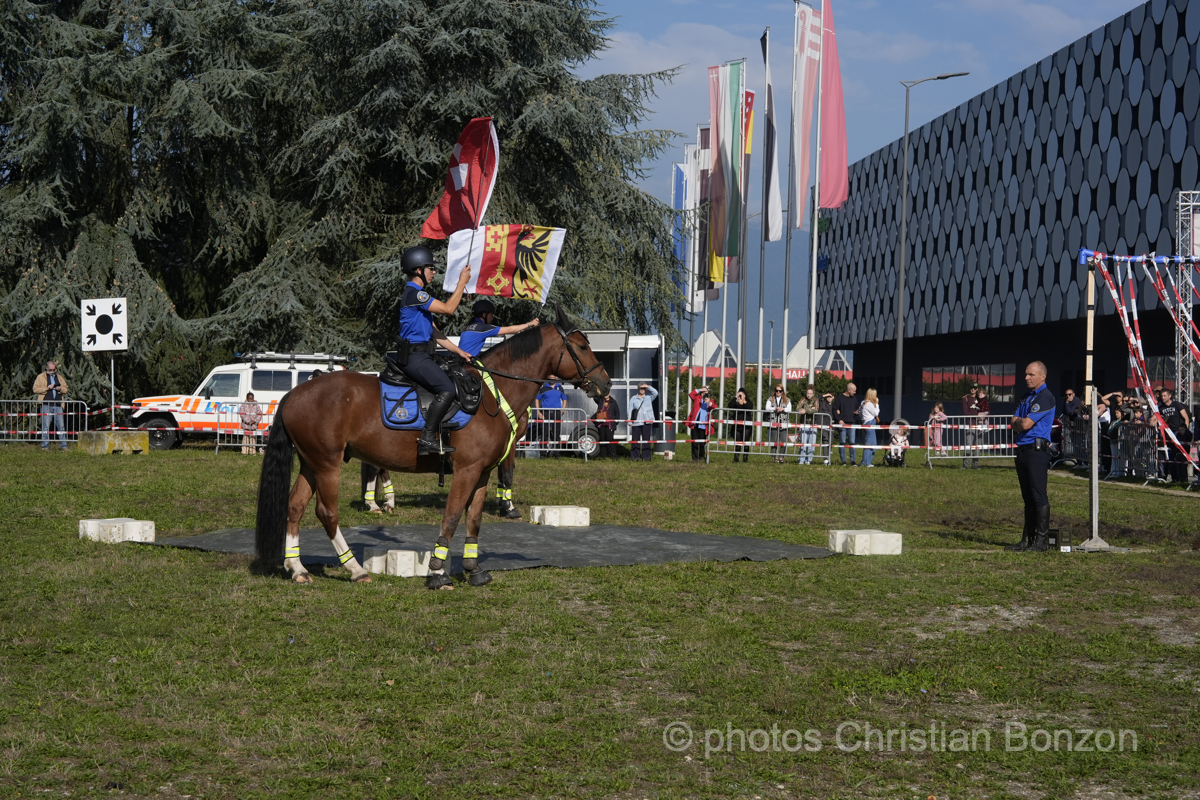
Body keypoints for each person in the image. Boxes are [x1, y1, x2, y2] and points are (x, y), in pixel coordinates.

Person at [395, 245, 472, 455]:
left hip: (422, 354)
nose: (434, 272)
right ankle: (428, 438)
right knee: (447, 388)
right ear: (418, 269)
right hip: (415, 356)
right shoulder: (415, 295)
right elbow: (449, 309)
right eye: (431, 268)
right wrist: (461, 284)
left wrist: (459, 352)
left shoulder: (419, 297)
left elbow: (435, 333)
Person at [1006, 361, 1055, 552]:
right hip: (1023, 450)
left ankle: (1041, 542)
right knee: (1027, 497)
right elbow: (1014, 423)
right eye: (1026, 374)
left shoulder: (1045, 397)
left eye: (1031, 374)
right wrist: (1020, 422)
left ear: (1042, 376)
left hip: (1037, 452)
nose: (1026, 377)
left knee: (1038, 496)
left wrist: (1020, 422)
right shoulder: (1026, 397)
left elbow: (1024, 425)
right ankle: (1027, 539)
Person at [457, 297, 540, 358]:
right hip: (465, 364)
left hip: (457, 361)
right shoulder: (483, 328)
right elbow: (510, 329)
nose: (492, 318)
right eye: (491, 315)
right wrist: (530, 324)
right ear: (484, 315)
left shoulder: (468, 327)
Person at [33, 360, 69, 451]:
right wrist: (46, 388)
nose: (52, 371)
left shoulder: (59, 377)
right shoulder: (40, 377)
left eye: (54, 370)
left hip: (58, 404)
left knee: (61, 425)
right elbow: (35, 389)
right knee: (46, 426)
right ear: (46, 368)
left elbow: (66, 388)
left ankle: (63, 446)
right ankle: (45, 446)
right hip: (46, 404)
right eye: (51, 370)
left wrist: (60, 388)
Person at [1158, 387, 1192, 483]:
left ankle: (1183, 479)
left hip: (1178, 433)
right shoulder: (1161, 407)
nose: (1163, 397)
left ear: (1169, 396)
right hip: (1168, 435)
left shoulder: (1176, 404)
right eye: (1162, 396)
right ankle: (1174, 478)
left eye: (1165, 396)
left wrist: (1184, 431)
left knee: (1181, 457)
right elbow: (1156, 418)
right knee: (1171, 457)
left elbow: (1186, 417)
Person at [535, 377, 568, 457]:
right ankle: (543, 454)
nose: (552, 378)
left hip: (556, 413)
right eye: (551, 377)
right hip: (546, 413)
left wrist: (563, 410)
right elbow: (537, 399)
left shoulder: (560, 388)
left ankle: (557, 453)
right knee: (544, 433)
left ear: (556, 378)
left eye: (554, 377)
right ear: (548, 378)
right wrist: (538, 412)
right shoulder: (544, 388)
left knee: (557, 433)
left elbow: (564, 399)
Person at [628, 382, 658, 461]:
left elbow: (656, 393)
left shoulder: (649, 397)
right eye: (641, 388)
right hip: (636, 422)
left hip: (647, 422)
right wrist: (629, 422)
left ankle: (646, 457)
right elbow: (630, 410)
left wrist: (648, 386)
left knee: (646, 440)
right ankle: (635, 457)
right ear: (638, 389)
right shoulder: (633, 398)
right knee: (635, 440)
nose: (642, 390)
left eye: (644, 388)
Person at [962, 385, 989, 468]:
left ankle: (975, 465)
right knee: (968, 444)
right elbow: (966, 412)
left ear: (977, 389)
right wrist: (977, 414)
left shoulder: (981, 398)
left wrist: (984, 415)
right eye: (971, 387)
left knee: (978, 445)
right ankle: (965, 464)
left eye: (974, 388)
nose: (973, 389)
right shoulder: (965, 398)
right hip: (970, 424)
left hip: (980, 425)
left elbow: (987, 410)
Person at [832, 382, 859, 465]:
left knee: (852, 442)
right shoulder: (839, 398)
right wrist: (839, 420)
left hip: (852, 423)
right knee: (842, 442)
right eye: (854, 391)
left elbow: (856, 408)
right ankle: (843, 461)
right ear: (849, 390)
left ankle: (853, 460)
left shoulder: (854, 399)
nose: (855, 393)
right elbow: (834, 410)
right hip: (843, 424)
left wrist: (857, 412)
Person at [591, 390, 621, 458]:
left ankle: (613, 456)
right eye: (605, 393)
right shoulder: (601, 400)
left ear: (609, 393)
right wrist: (598, 391)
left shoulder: (613, 402)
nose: (606, 394)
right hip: (601, 424)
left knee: (610, 439)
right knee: (602, 440)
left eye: (607, 393)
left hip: (609, 424)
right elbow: (595, 398)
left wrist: (615, 422)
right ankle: (603, 456)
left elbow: (617, 412)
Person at [765, 384, 791, 463]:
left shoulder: (787, 399)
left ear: (783, 391)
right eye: (777, 391)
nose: (778, 392)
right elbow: (767, 408)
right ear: (775, 391)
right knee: (774, 440)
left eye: (780, 391)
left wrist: (783, 409)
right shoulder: (771, 399)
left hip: (784, 422)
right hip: (774, 422)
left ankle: (781, 457)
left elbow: (789, 409)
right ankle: (775, 457)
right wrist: (775, 408)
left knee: (783, 440)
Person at [687, 386, 713, 462]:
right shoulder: (697, 398)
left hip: (703, 425)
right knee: (694, 442)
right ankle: (695, 458)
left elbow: (714, 407)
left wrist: (708, 402)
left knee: (702, 442)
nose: (705, 395)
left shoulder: (710, 401)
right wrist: (700, 389)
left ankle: (702, 457)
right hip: (695, 423)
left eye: (706, 393)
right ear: (701, 393)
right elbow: (691, 394)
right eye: (703, 393)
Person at [795, 386, 819, 465]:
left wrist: (805, 411)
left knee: (811, 443)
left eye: (810, 393)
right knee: (803, 442)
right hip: (803, 424)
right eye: (808, 393)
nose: (808, 395)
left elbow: (815, 409)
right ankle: (801, 459)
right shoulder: (803, 400)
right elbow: (798, 408)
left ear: (813, 394)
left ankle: (809, 459)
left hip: (813, 424)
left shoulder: (815, 400)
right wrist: (803, 410)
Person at [730, 387, 754, 463]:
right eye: (739, 394)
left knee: (746, 442)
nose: (740, 396)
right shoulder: (735, 403)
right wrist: (735, 397)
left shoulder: (749, 402)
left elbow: (749, 407)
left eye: (742, 394)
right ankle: (736, 458)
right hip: (737, 426)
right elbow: (730, 405)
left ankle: (745, 458)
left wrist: (743, 402)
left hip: (747, 426)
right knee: (738, 442)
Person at [859, 388, 880, 467]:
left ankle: (868, 462)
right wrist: (877, 403)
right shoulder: (870, 404)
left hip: (866, 423)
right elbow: (876, 413)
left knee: (873, 443)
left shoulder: (863, 403)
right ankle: (865, 462)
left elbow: (860, 414)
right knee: (870, 444)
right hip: (870, 423)